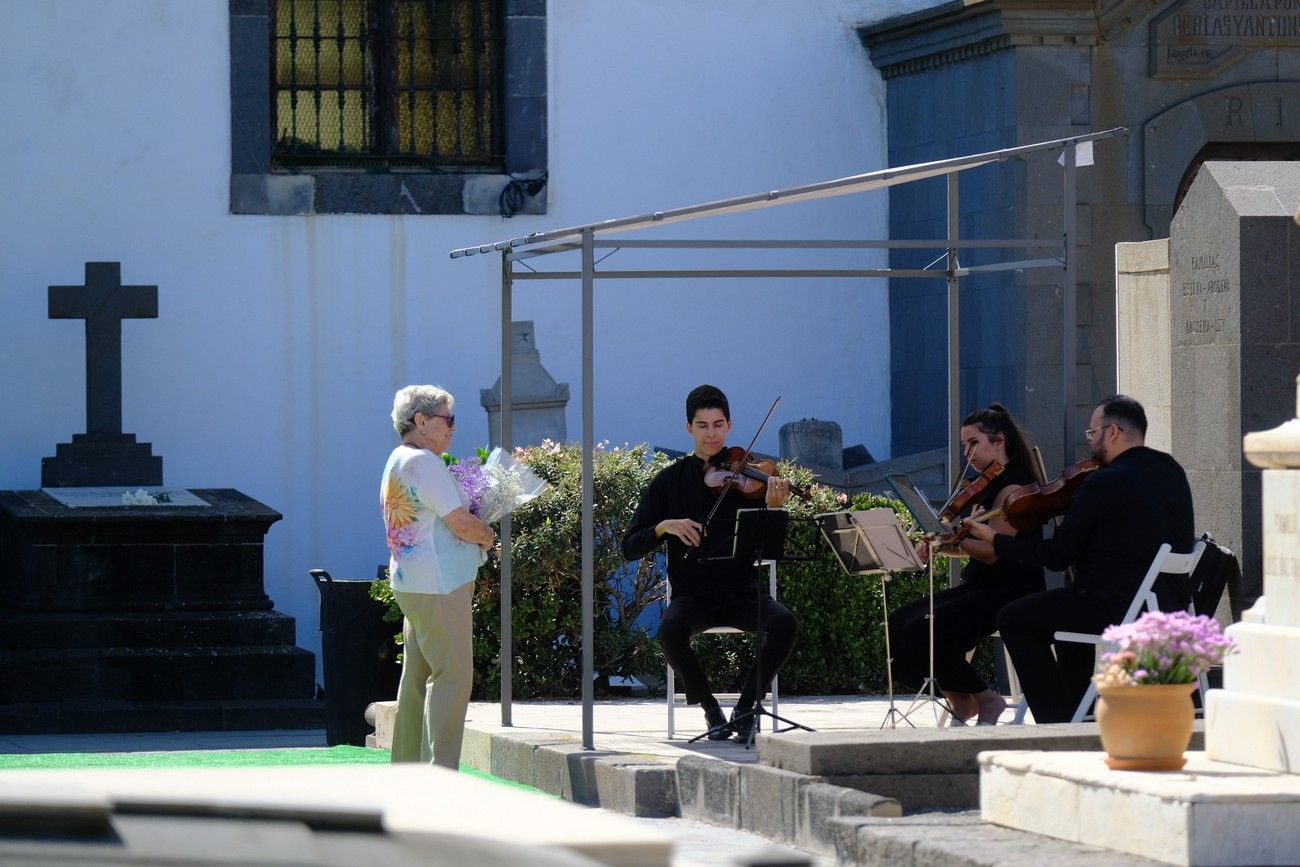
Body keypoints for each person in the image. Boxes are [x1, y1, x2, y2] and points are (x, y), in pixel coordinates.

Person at [963, 394, 1195, 724]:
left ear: (1112, 432)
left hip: (1118, 608)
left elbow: (1056, 556)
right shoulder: (1171, 470)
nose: (1090, 440)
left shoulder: (1104, 481)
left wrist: (996, 540)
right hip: (1166, 604)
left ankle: (1056, 722)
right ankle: (1080, 712)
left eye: (1092, 432)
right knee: (1067, 611)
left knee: (1014, 618)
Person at [621, 385, 796, 741]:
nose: (711, 434)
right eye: (702, 425)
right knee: (669, 631)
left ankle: (745, 710)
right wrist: (664, 526)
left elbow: (769, 548)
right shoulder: (669, 482)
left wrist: (773, 509)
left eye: (718, 425)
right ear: (689, 428)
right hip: (693, 598)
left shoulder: (751, 481)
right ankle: (711, 711)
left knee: (785, 624)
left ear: (729, 425)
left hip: (743, 593)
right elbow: (629, 546)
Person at [887, 404, 1045, 725]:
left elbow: (992, 552)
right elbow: (971, 548)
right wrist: (941, 545)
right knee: (898, 622)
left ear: (999, 442)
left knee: (923, 629)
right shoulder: (985, 485)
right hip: (981, 586)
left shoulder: (1013, 488)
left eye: (973, 442)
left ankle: (987, 701)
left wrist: (950, 540)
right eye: (963, 445)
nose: (966, 453)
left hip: (1011, 591)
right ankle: (961, 701)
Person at [380, 385, 495, 768]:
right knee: (452, 676)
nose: (453, 428)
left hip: (413, 584)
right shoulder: (425, 463)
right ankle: (439, 779)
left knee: (416, 678)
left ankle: (407, 773)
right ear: (421, 421)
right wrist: (488, 535)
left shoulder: (398, 458)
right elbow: (459, 523)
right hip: (439, 585)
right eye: (449, 419)